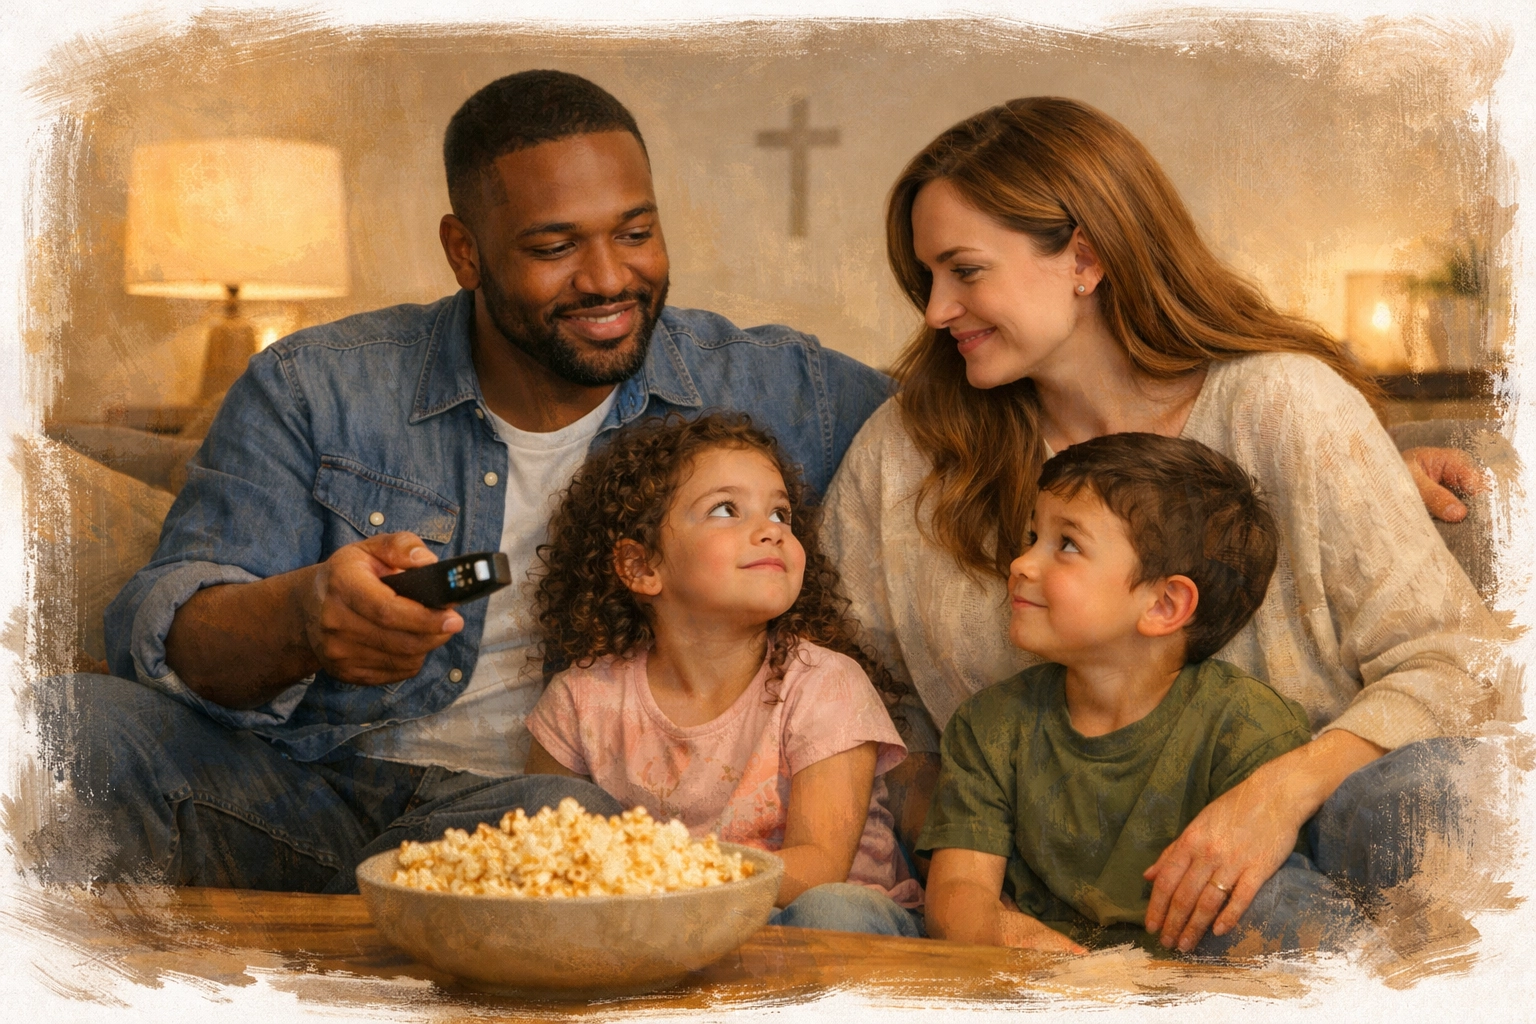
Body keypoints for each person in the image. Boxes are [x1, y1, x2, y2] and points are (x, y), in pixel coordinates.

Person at [40, 70, 890, 891]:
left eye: (635, 233)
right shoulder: (315, 385)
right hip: (297, 786)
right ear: (465, 252)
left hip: (529, 818)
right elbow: (169, 632)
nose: (606, 278)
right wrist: (302, 619)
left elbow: (965, 414)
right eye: (555, 247)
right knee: (61, 724)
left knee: (568, 814)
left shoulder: (776, 386)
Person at [824, 96, 1507, 953]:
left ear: (1085, 256)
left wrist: (1278, 795)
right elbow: (853, 700)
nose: (933, 310)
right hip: (1034, 916)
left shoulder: (1283, 407)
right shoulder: (906, 455)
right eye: (926, 278)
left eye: (965, 271)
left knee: (1430, 790)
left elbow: (1459, 664)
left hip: (1300, 866)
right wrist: (980, 893)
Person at [919, 432, 1369, 955]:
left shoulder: (1246, 726)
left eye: (1066, 544)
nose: (1021, 564)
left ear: (1163, 605)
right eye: (1030, 536)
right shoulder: (991, 725)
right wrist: (1006, 933)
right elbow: (958, 889)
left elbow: (1281, 909)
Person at [522, 414, 922, 936]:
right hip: (667, 930)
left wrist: (660, 869)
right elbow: (546, 852)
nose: (771, 531)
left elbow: (819, 868)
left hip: (818, 932)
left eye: (781, 514)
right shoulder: (581, 698)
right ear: (642, 567)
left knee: (832, 909)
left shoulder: (825, 683)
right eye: (726, 509)